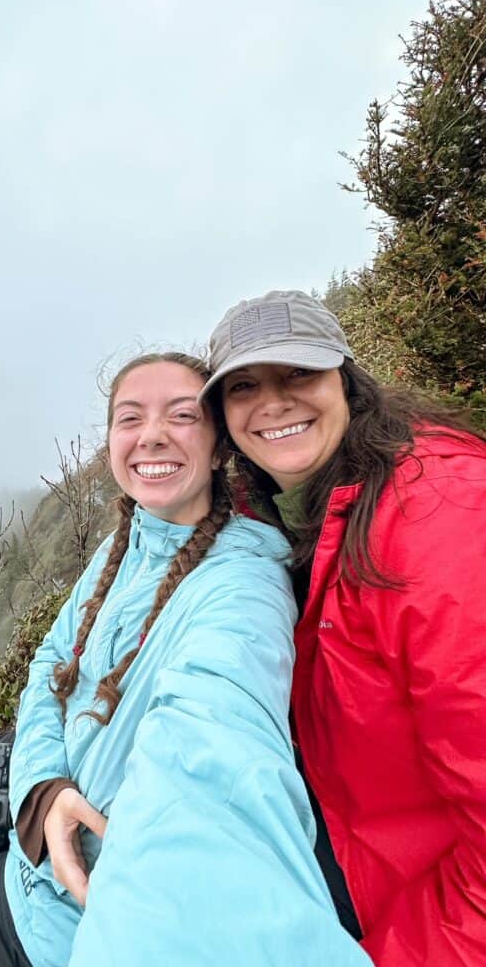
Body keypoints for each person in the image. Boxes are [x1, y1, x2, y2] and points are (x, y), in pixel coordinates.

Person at [0, 352, 370, 967]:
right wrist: (41, 787)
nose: (152, 434)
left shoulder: (242, 581)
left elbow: (216, 748)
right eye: (130, 417)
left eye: (182, 416)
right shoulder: (128, 540)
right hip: (41, 772)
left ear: (218, 449)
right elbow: (51, 663)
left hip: (57, 906)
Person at [201, 290, 486, 967]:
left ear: (348, 384)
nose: (272, 402)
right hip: (321, 817)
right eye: (244, 386)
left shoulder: (441, 521)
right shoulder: (290, 509)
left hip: (389, 893)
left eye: (298, 373)